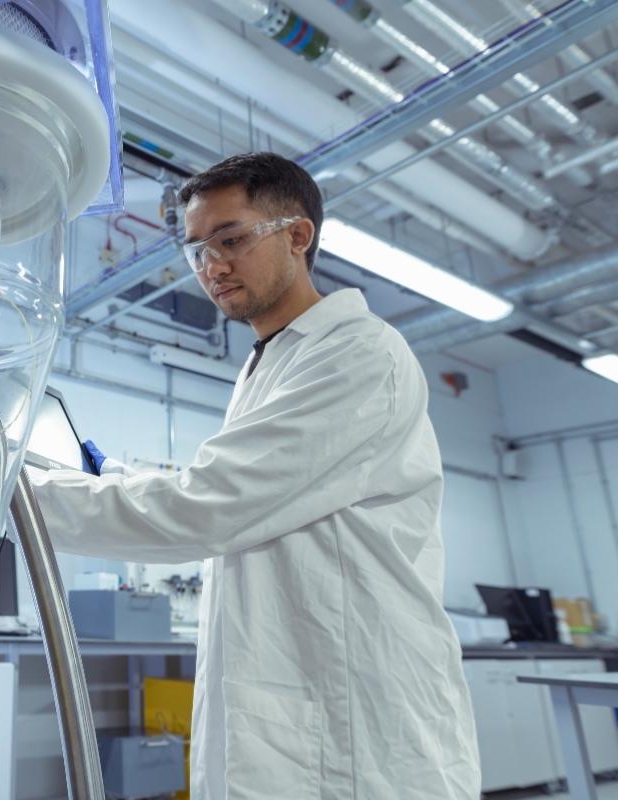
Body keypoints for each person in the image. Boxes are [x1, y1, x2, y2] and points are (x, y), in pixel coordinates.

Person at [28, 153, 481, 799]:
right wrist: (115, 478)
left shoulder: (356, 352)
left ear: (298, 236)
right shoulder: (271, 363)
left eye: (231, 239)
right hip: (292, 703)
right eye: (196, 251)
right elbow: (235, 493)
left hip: (354, 722)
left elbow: (207, 509)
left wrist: (27, 497)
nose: (211, 266)